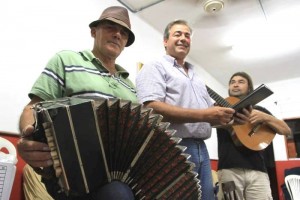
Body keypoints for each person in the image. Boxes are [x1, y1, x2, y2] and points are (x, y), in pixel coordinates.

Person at [16, 6, 137, 200]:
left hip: (121, 173)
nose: (117, 34)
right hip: (71, 170)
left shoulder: (130, 86)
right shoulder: (66, 60)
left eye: (123, 33)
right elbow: (33, 107)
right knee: (118, 195)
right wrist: (27, 137)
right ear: (93, 31)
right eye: (110, 27)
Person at [135, 19, 240, 200]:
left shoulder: (196, 77)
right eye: (178, 34)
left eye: (187, 35)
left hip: (202, 148)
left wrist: (231, 116)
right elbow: (151, 107)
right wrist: (204, 115)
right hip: (172, 146)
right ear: (165, 41)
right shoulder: (156, 66)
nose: (183, 38)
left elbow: (209, 113)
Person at [216, 72, 291, 200]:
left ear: (249, 88)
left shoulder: (259, 110)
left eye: (241, 82)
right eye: (232, 82)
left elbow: (286, 130)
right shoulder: (220, 109)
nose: (235, 84)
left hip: (258, 171)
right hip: (229, 170)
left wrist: (265, 117)